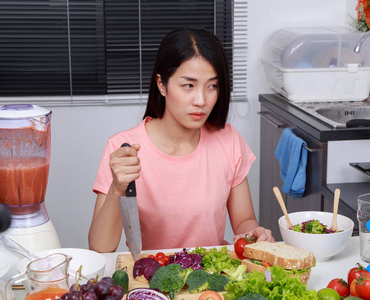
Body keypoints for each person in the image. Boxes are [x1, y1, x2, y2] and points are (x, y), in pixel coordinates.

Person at [89, 28, 274, 253]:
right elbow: (100, 248)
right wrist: (117, 188)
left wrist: (254, 233)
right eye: (189, 85)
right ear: (161, 85)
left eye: (212, 86)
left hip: (213, 276)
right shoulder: (123, 150)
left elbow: (244, 221)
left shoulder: (229, 140)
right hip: (153, 278)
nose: (201, 100)